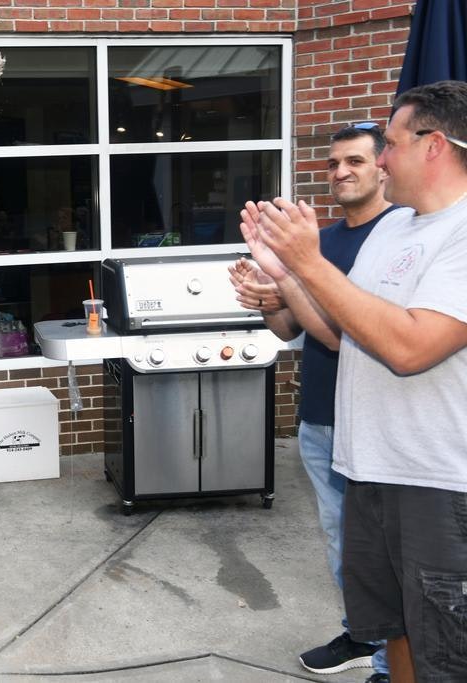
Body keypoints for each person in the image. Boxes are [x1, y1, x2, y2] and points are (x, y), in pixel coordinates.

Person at [240, 80, 467, 683]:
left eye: (388, 145)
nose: (382, 161)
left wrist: (308, 262)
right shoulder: (397, 229)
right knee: (392, 627)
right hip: (368, 466)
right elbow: (342, 335)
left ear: (435, 145)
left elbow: (411, 349)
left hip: (438, 481)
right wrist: (284, 275)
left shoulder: (463, 232)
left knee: (446, 647)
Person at [230, 123, 396, 682]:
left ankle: (385, 660)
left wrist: (286, 274)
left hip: (375, 422)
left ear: (384, 166)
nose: (341, 172)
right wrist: (265, 300)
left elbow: (337, 332)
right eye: (332, 163)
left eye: (355, 160)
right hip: (321, 418)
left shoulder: (396, 238)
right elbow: (288, 330)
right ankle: (362, 634)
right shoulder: (319, 241)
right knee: (341, 537)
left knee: (381, 547)